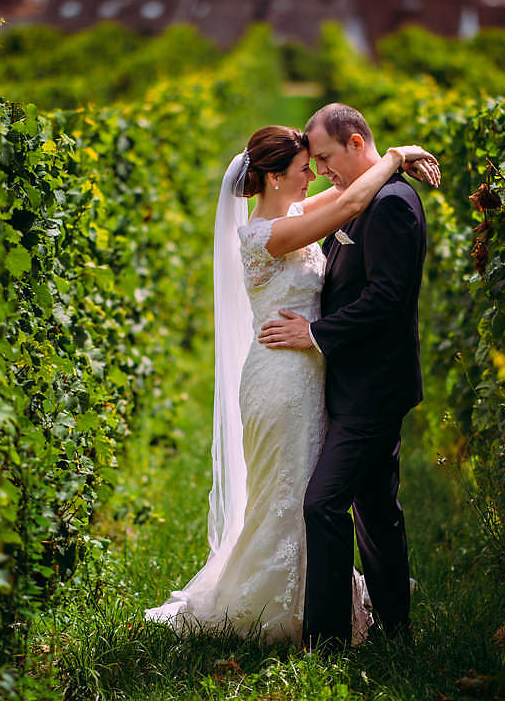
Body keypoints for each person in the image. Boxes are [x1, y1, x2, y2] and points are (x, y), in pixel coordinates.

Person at [144, 120, 438, 645]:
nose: (317, 176)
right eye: (307, 169)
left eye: (318, 164)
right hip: (280, 377)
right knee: (289, 494)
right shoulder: (267, 235)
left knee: (309, 490)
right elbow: (348, 205)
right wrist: (395, 156)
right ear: (275, 178)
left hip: (311, 372)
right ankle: (271, 608)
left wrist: (382, 164)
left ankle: (313, 604)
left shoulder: (295, 212)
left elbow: (350, 189)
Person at [257, 104, 427, 650]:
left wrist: (317, 334)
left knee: (323, 503)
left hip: (374, 386)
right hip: (353, 381)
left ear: (355, 144)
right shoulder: (360, 200)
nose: (322, 169)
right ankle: (395, 631)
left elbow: (388, 297)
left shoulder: (392, 204)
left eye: (326, 156)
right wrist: (399, 155)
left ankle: (326, 642)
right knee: (376, 508)